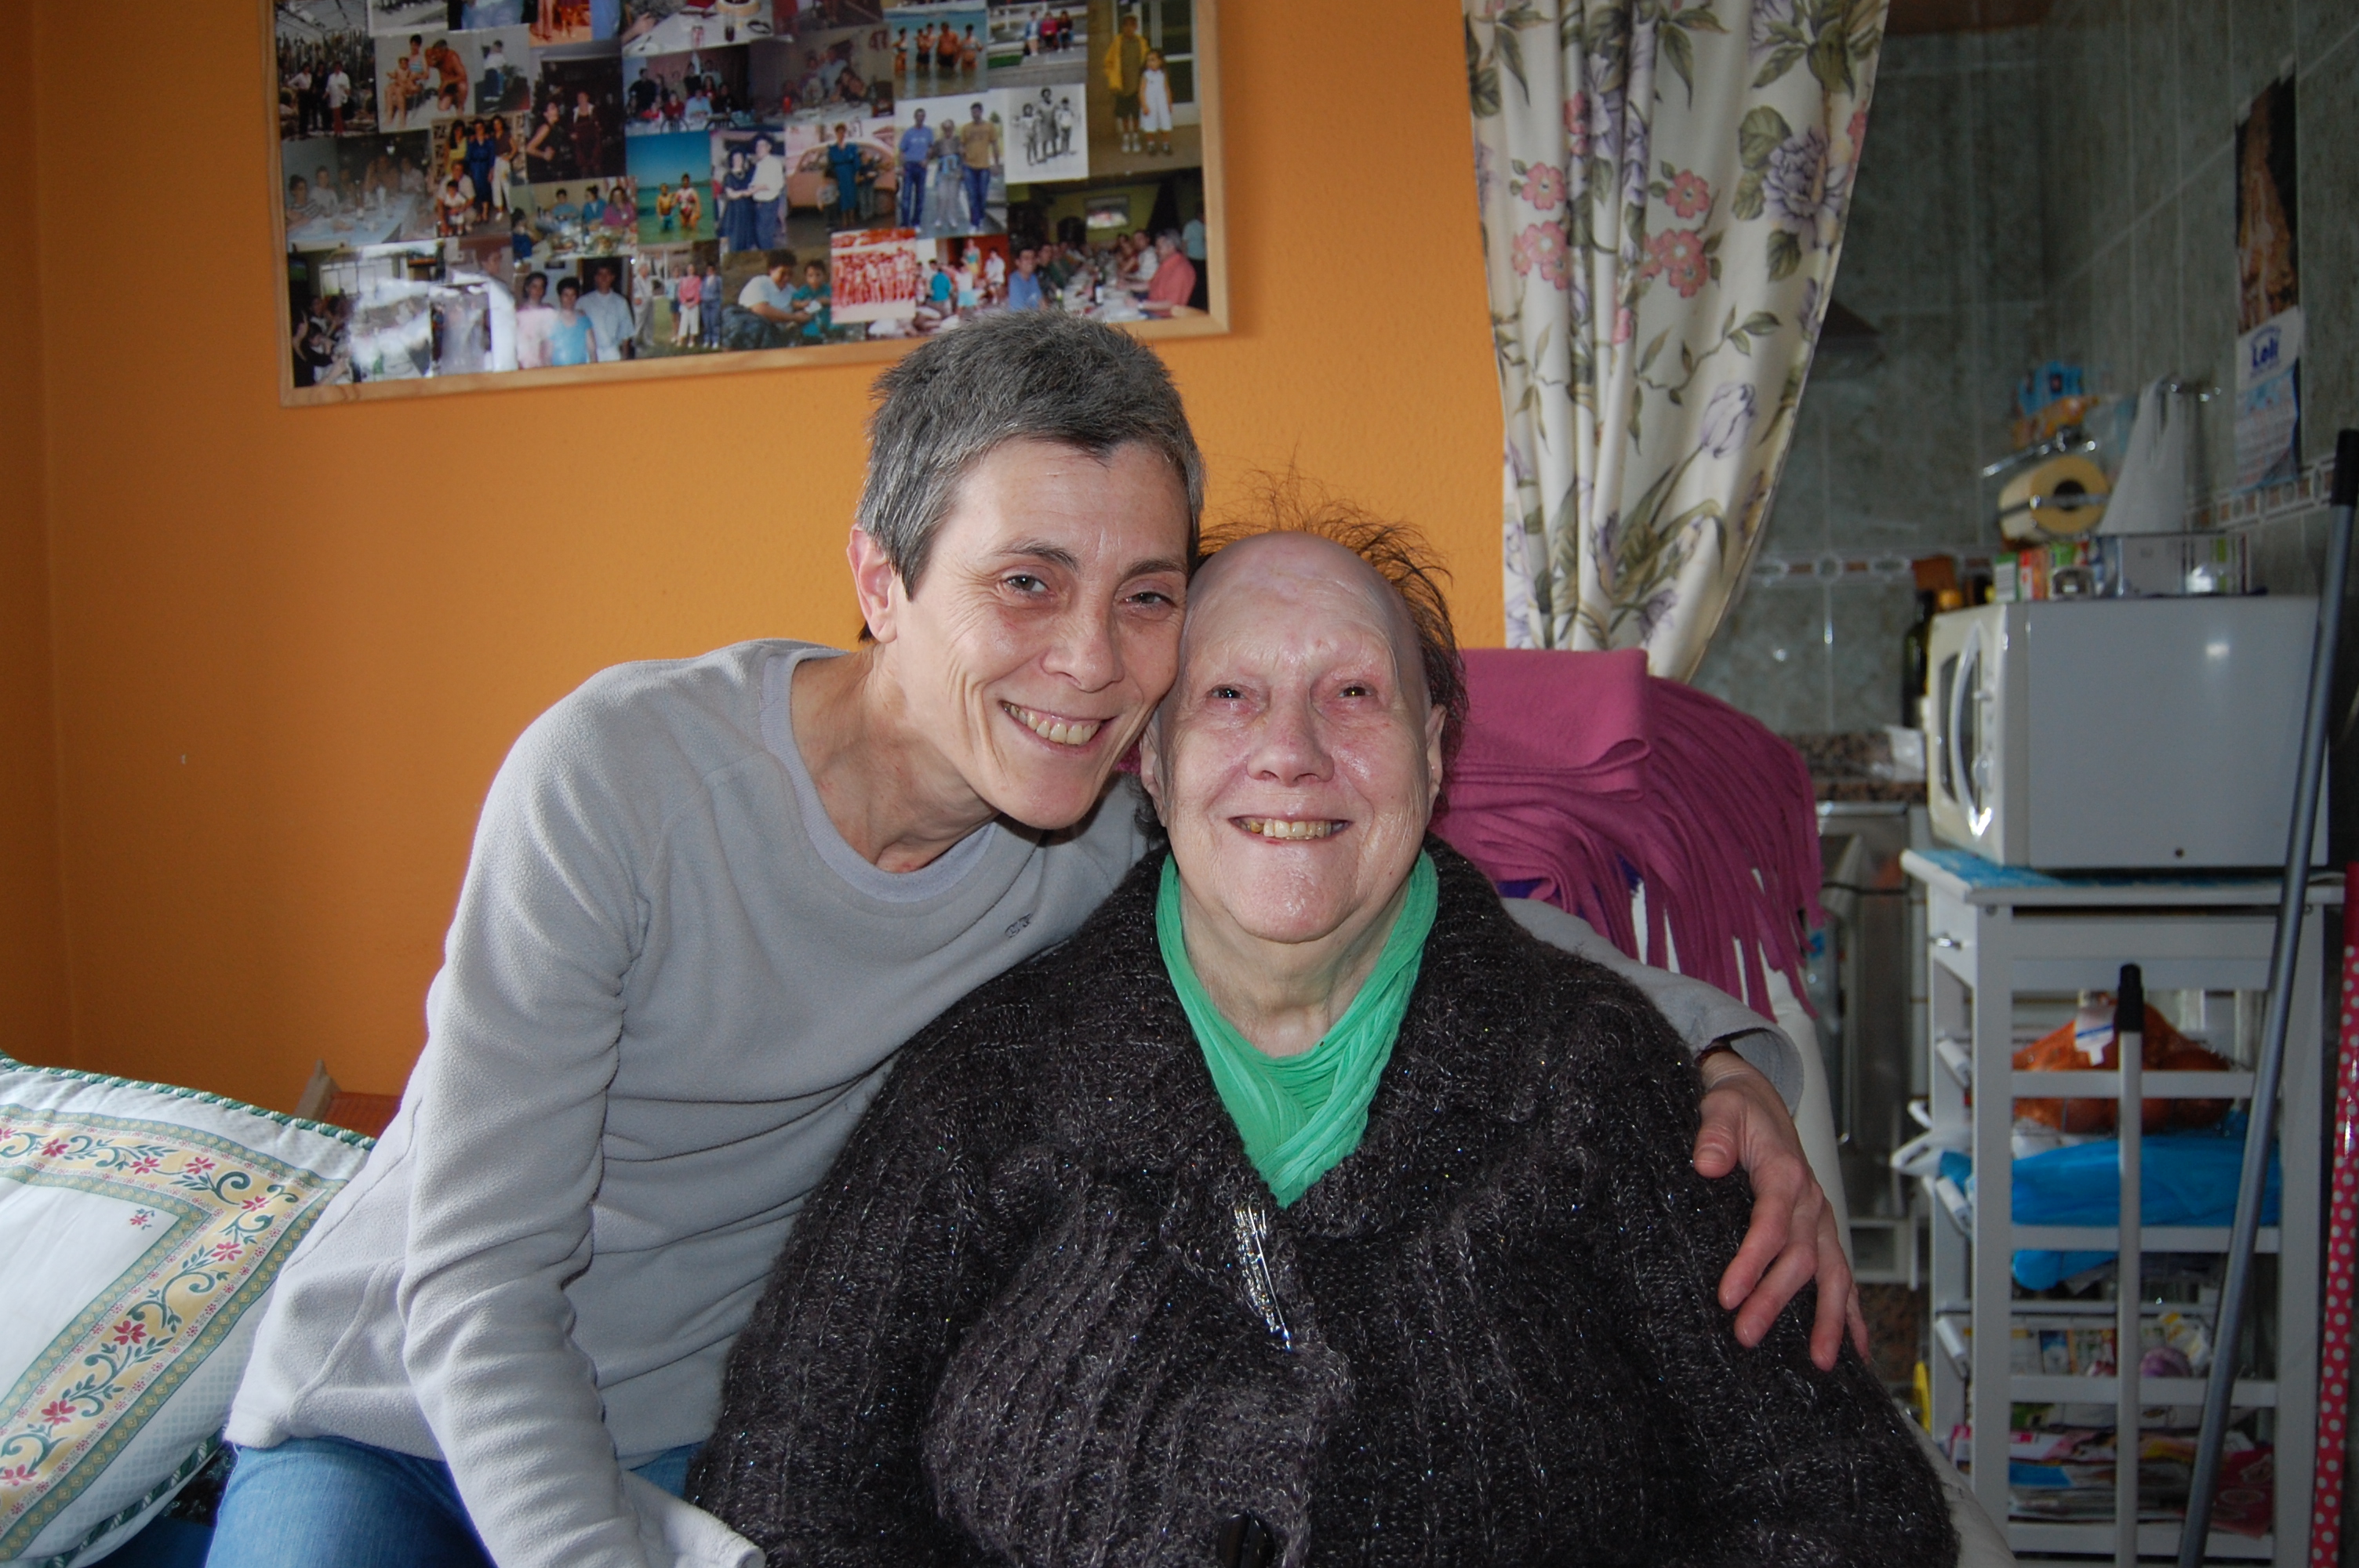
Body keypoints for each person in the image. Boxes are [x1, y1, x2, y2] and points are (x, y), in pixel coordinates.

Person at [209, 314, 1852, 1568]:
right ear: (879, 576)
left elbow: (1417, 885)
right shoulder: (621, 782)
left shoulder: (1092, 823)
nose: (1088, 660)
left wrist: (1718, 1052)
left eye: (1146, 595)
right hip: (409, 1415)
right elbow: (479, 1289)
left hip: (689, 1434)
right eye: (1024, 582)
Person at [688, 514, 1952, 1567]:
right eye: (1230, 697)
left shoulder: (1600, 1083)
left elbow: (1847, 1513)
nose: (1290, 755)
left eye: (1354, 695)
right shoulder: (988, 1080)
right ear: (1153, 758)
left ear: (1434, 748)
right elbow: (789, 1484)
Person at [1103, 11, 1146, 154]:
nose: (1129, 28)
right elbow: (1108, 62)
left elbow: (1146, 62)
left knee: (1135, 114)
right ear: (1122, 27)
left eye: (1132, 25)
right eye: (1126, 25)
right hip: (1122, 85)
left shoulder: (1141, 42)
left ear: (1136, 27)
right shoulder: (1118, 42)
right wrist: (1112, 77)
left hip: (1137, 85)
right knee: (1124, 115)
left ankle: (1135, 137)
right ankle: (1126, 138)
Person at [956, 100, 999, 233]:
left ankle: (979, 217)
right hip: (969, 166)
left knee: (982, 194)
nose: (974, 114)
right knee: (972, 195)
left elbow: (995, 145)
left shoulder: (989, 127)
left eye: (977, 111)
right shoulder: (966, 128)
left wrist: (996, 164)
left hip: (984, 167)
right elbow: (961, 146)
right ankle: (974, 223)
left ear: (981, 112)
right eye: (972, 112)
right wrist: (962, 164)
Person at [580, 261, 635, 360]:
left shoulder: (620, 302)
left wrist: (625, 358)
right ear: (596, 278)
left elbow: (626, 332)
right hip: (590, 353)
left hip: (612, 352)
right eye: (600, 274)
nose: (604, 278)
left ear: (612, 277)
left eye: (607, 274)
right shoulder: (584, 301)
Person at [896, 107, 935, 228]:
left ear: (924, 118)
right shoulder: (909, 133)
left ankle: (916, 222)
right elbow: (901, 151)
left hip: (921, 167)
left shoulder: (928, 132)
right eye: (918, 116)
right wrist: (901, 167)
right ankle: (905, 224)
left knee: (920, 197)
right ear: (915, 117)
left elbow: (932, 149)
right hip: (909, 167)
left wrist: (927, 160)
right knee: (906, 197)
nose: (920, 118)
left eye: (922, 116)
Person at [1140, 228, 1194, 314]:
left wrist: (1141, 305)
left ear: (1171, 247)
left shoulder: (1181, 269)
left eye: (1159, 248)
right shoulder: (1167, 262)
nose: (1156, 251)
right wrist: (1127, 286)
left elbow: (1171, 304)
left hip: (1163, 318)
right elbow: (1151, 284)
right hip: (1152, 307)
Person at [746, 133, 785, 249]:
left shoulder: (774, 163)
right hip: (759, 205)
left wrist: (760, 187)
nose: (758, 149)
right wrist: (750, 188)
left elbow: (779, 184)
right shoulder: (760, 164)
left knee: (763, 236)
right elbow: (754, 182)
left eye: (762, 146)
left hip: (768, 205)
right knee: (760, 235)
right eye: (757, 146)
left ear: (769, 148)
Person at [544, 273, 594, 365]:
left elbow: (592, 351)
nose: (569, 299)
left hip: (581, 371)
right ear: (560, 296)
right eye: (566, 295)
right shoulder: (551, 321)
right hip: (558, 373)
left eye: (573, 295)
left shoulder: (584, 321)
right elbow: (547, 355)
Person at [1138, 48, 1172, 157]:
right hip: (1150, 103)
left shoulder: (1163, 74)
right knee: (1150, 124)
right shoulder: (1146, 75)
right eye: (1148, 60)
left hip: (1162, 102)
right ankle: (1151, 144)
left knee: (1165, 123)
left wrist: (1169, 103)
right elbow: (1142, 91)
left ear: (1160, 61)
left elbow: (1166, 88)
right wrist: (1144, 105)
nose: (1150, 63)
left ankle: (1166, 144)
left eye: (1153, 60)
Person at [788, 258, 831, 344]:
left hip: (825, 316)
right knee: (810, 332)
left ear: (825, 276)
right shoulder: (804, 290)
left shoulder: (827, 289)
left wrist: (827, 301)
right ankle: (812, 338)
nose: (814, 279)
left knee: (835, 327)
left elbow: (837, 301)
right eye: (810, 276)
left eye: (818, 275)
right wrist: (802, 304)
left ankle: (831, 335)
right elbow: (794, 303)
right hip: (810, 319)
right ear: (806, 277)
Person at [1003, 245, 1043, 310]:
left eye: (1033, 258)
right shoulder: (1014, 281)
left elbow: (1041, 302)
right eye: (1026, 258)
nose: (1031, 261)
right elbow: (1020, 315)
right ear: (1017, 262)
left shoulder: (1033, 278)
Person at [671, 264, 702, 345]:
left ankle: (691, 341)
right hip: (685, 304)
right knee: (683, 322)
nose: (690, 270)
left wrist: (694, 303)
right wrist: (685, 302)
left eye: (692, 269)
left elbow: (698, 292)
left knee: (693, 322)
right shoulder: (683, 280)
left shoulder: (697, 279)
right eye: (689, 269)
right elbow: (680, 292)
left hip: (694, 303)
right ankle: (681, 340)